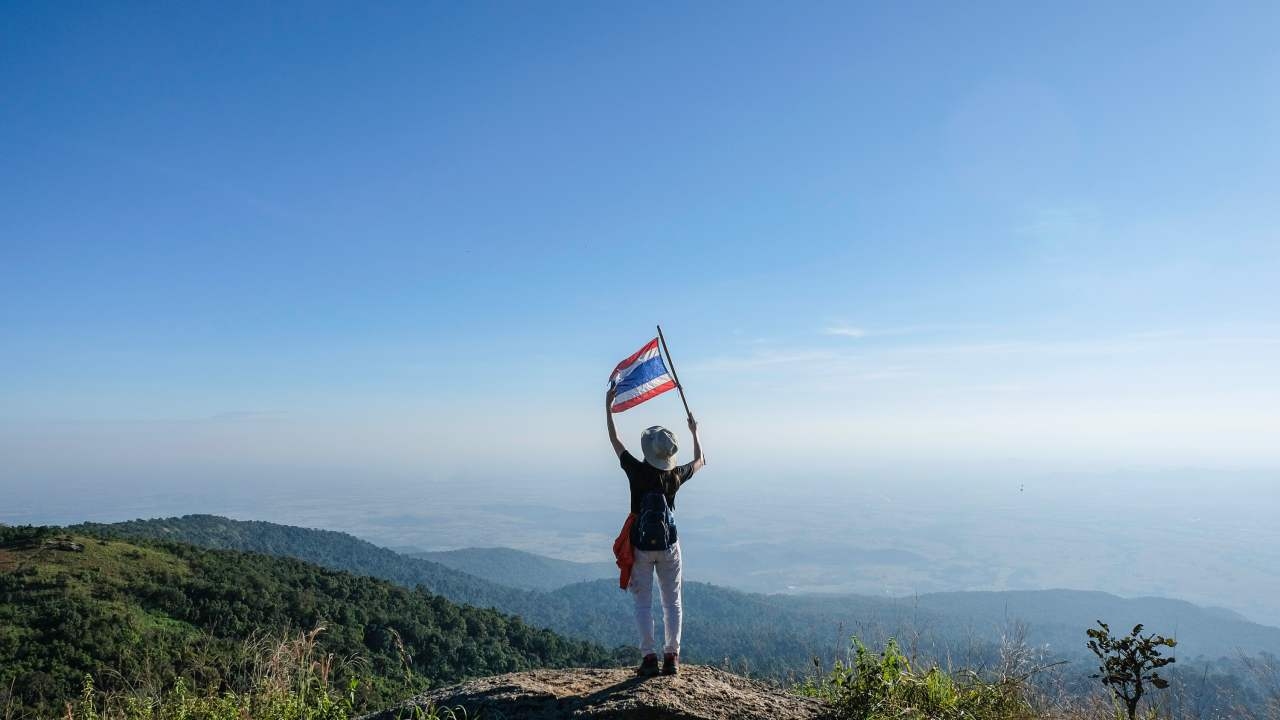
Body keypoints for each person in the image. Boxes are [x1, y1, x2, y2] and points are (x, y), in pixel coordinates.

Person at [605, 385, 705, 677]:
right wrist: (695, 431)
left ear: (649, 452)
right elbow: (701, 461)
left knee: (643, 602)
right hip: (669, 546)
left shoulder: (636, 470)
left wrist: (607, 407)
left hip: (640, 546)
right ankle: (671, 656)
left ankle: (649, 657)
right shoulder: (674, 475)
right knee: (672, 601)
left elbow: (614, 439)